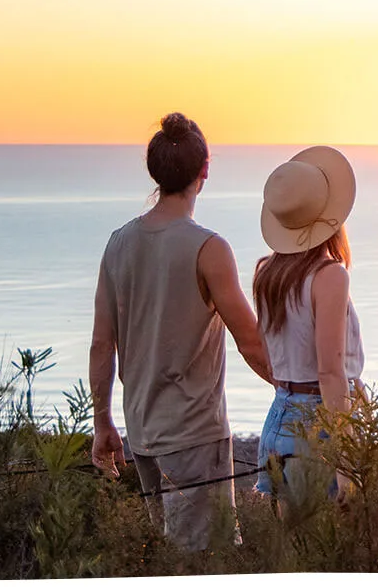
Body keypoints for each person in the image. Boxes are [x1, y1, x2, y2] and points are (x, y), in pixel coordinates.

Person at [90, 112, 273, 551]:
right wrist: (303, 394)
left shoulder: (119, 243)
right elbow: (251, 342)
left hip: (144, 435)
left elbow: (101, 344)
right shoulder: (209, 248)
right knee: (207, 564)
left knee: (168, 559)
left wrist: (103, 424)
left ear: (155, 171)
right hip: (194, 436)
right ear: (204, 171)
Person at [252, 145, 364, 507]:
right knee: (330, 551)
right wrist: (346, 461)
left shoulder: (265, 273)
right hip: (316, 423)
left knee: (291, 551)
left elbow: (269, 357)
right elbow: (330, 371)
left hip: (277, 417)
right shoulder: (330, 276)